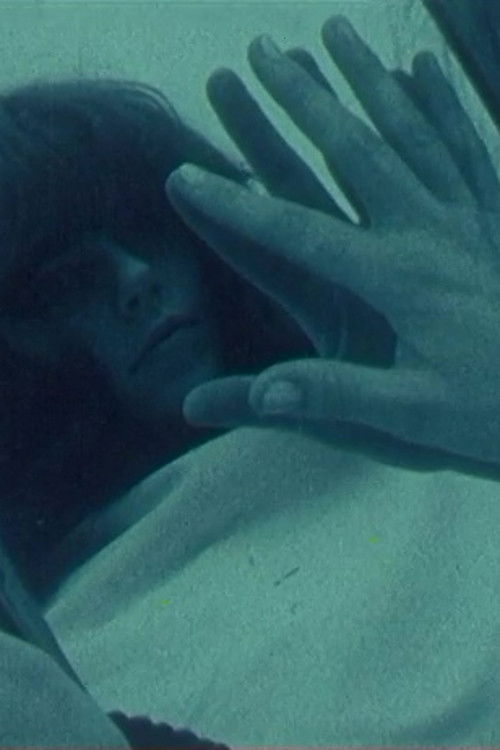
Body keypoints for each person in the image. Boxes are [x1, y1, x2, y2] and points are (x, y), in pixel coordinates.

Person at [3, 3, 500, 746]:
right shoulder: (45, 688)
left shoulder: (451, 412)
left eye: (149, 225)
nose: (135, 279)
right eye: (64, 282)